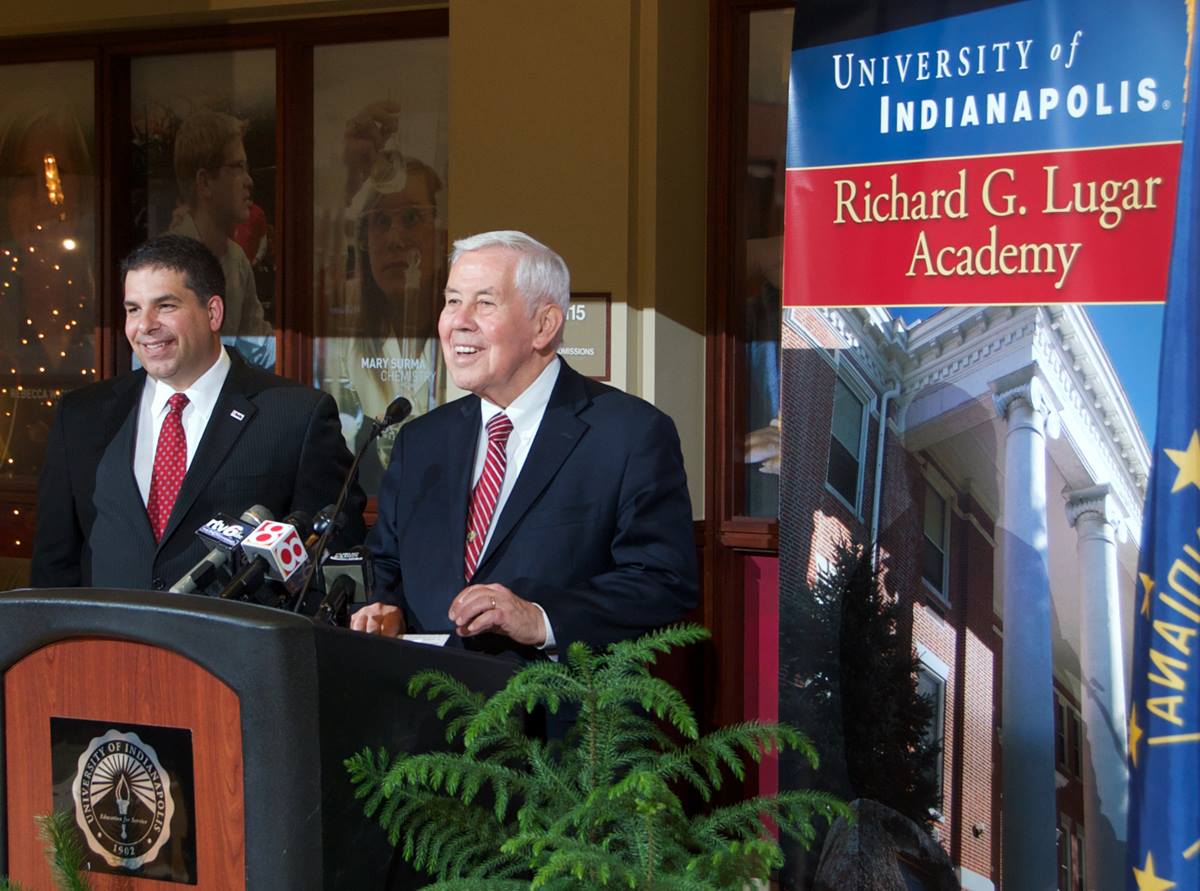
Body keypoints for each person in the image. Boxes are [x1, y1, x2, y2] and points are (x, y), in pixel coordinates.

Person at [352, 230, 697, 659]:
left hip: (554, 712)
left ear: (544, 325)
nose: (458, 320)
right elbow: (387, 566)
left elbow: (662, 580)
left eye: (484, 303)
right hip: (424, 707)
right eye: (452, 300)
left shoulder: (630, 434)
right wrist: (384, 609)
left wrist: (540, 618)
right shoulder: (419, 441)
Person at [30, 234, 366, 591]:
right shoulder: (82, 415)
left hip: (230, 644)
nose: (145, 326)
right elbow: (54, 563)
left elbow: (332, 558)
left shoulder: (297, 416)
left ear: (213, 312)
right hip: (107, 643)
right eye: (133, 309)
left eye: (165, 306)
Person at [316, 104, 445, 493]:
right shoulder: (345, 347)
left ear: (438, 236)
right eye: (380, 222)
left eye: (411, 218)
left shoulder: (465, 338)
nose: (394, 239)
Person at [169, 110, 274, 368]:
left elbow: (259, 348)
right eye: (237, 167)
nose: (249, 181)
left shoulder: (237, 259)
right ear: (204, 183)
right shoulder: (165, 265)